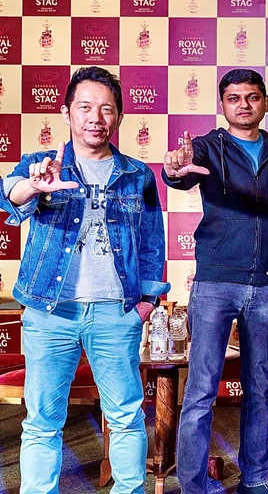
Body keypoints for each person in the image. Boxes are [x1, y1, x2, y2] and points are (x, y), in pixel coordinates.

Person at [1, 67, 168, 494]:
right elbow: (10, 194)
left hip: (116, 312)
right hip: (50, 312)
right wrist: (34, 187)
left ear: (119, 117)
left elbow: (152, 242)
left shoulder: (137, 174)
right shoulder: (43, 164)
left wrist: (146, 303)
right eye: (85, 107)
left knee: (126, 417)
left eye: (107, 109)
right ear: (66, 113)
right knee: (42, 422)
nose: (96, 118)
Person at [165, 69, 268, 494]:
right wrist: (173, 170)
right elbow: (180, 173)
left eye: (252, 97)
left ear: (265, 103)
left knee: (258, 388)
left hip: (267, 284)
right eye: (234, 98)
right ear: (222, 105)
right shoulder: (206, 147)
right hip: (216, 282)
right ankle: (193, 486)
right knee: (201, 390)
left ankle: (254, 480)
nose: (243, 104)